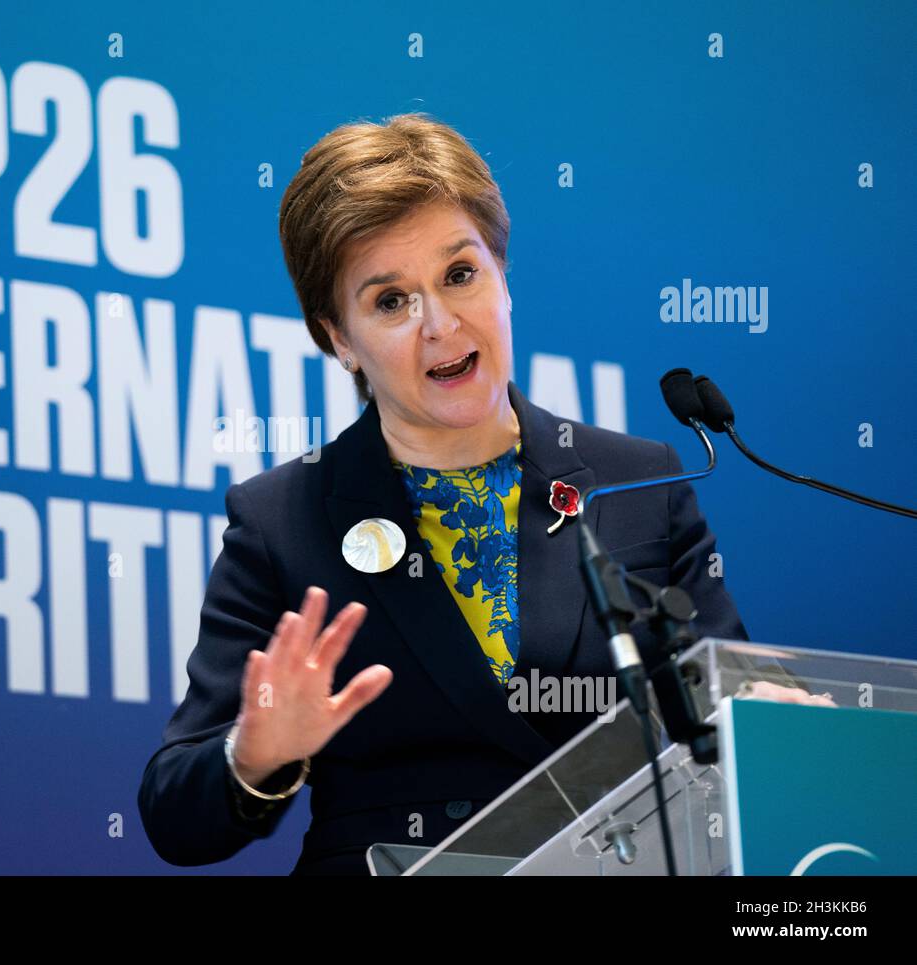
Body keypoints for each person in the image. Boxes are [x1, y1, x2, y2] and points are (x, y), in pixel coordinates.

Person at [138, 113, 759, 876]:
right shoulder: (282, 520)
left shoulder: (639, 483)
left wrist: (777, 720)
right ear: (338, 337)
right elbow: (173, 810)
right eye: (390, 301)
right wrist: (255, 753)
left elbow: (735, 712)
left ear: (502, 274)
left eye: (459, 274)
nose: (439, 324)